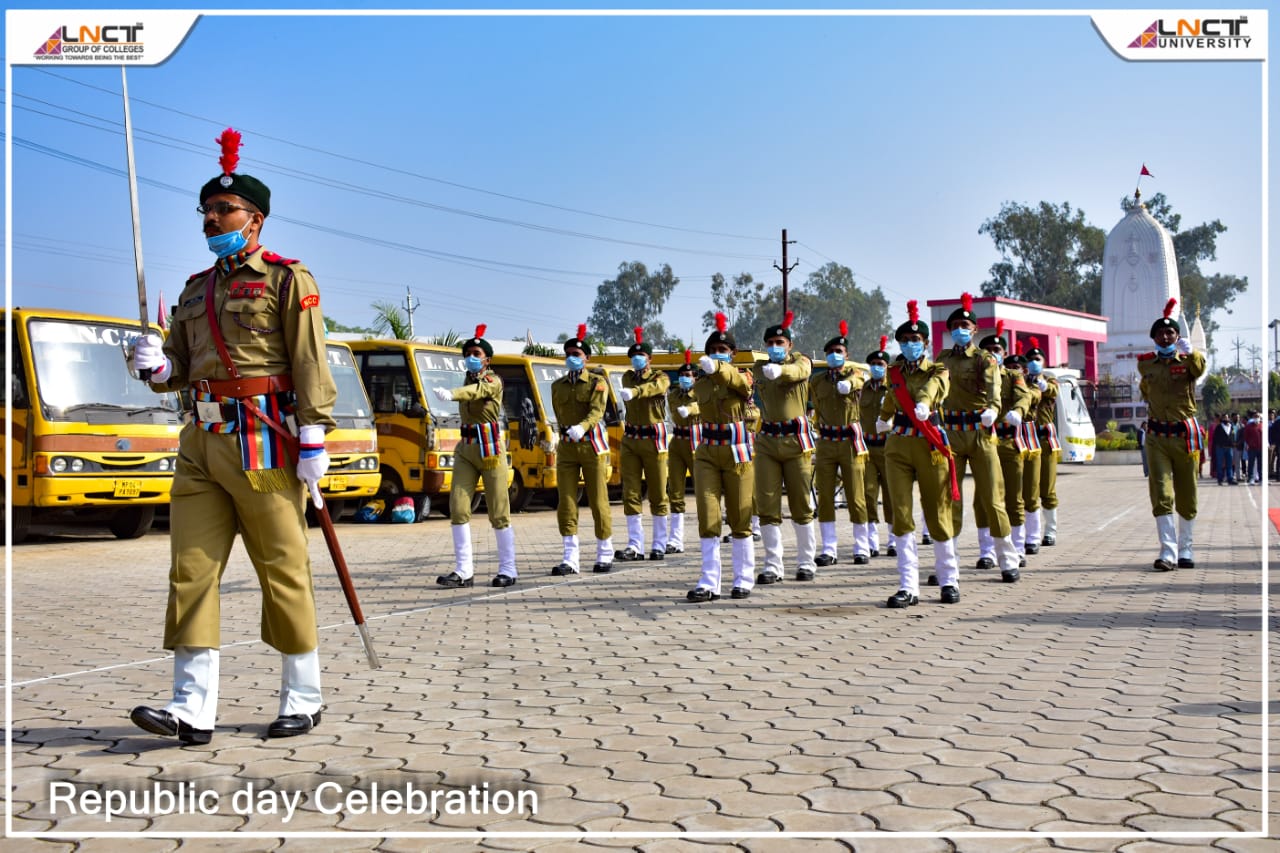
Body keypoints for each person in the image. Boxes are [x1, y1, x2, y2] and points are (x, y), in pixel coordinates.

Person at [127, 129, 336, 743]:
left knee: (283, 569)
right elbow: (180, 371)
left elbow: (309, 362)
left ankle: (303, 694)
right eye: (207, 211)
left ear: (255, 219)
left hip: (264, 441)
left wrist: (316, 436)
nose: (212, 219)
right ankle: (190, 708)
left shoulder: (285, 279)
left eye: (225, 210)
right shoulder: (195, 289)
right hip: (200, 446)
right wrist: (156, 366)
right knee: (190, 572)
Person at [876, 300, 956, 607]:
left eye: (916, 340)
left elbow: (935, 387)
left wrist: (923, 403)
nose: (911, 345)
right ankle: (908, 585)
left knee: (937, 512)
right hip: (898, 446)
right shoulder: (893, 372)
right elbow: (890, 399)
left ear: (925, 343)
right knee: (901, 514)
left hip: (930, 444)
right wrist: (883, 419)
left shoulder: (937, 369)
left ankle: (948, 579)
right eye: (906, 341)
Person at [937, 294, 1021, 584]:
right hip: (952, 434)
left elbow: (994, 388)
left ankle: (1007, 560)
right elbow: (937, 389)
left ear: (974, 330)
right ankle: (949, 562)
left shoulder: (985, 358)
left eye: (966, 325)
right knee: (950, 499)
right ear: (950, 330)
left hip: (981, 433)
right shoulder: (943, 358)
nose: (961, 329)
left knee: (993, 499)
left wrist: (994, 410)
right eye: (956, 325)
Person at [431, 323, 517, 589]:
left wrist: (452, 394)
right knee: (457, 507)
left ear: (487, 359)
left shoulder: (493, 381)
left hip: (490, 449)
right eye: (468, 353)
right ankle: (464, 571)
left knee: (498, 510)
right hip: (467, 448)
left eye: (477, 353)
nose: (472, 357)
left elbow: (477, 392)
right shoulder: (468, 379)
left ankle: (508, 569)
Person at [686, 312, 756, 602]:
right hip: (707, 451)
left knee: (740, 515)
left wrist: (718, 367)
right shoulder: (700, 383)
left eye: (723, 351)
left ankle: (743, 579)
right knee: (708, 514)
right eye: (713, 351)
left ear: (733, 354)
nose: (717, 354)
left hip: (737, 449)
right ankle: (709, 581)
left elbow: (740, 385)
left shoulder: (742, 376)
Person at [1138, 298, 1206, 571]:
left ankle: (1186, 549)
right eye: (1161, 333)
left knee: (1187, 493)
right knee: (1162, 493)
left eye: (1171, 333)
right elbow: (1146, 391)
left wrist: (1192, 353)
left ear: (1177, 337)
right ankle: (1167, 552)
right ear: (1154, 337)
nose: (1166, 336)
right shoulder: (1146, 365)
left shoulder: (1189, 362)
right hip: (1157, 438)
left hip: (1185, 435)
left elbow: (1200, 370)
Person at [752, 311, 817, 583]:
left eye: (780, 342)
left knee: (801, 503)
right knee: (767, 504)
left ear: (790, 345)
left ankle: (806, 562)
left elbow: (800, 371)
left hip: (796, 442)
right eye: (771, 343)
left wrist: (781, 370)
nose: (775, 347)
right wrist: (771, 370)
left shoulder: (801, 362)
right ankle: (772, 565)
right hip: (767, 440)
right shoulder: (760, 369)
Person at [549, 324, 614, 575]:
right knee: (565, 502)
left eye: (577, 355)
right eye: (569, 354)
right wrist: (564, 431)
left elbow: (597, 411)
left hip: (591, 445)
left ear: (587, 358)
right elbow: (558, 412)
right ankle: (570, 557)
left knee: (598, 500)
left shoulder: (597, 383)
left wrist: (582, 427)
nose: (572, 358)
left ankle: (605, 553)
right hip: (567, 446)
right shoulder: (558, 386)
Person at [809, 320, 870, 567]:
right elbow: (816, 407)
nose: (834, 355)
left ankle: (861, 547)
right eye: (831, 352)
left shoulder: (854, 375)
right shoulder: (818, 381)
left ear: (847, 355)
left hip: (848, 441)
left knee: (855, 496)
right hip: (826, 441)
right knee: (824, 496)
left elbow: (860, 380)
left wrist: (849, 384)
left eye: (839, 352)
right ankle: (829, 548)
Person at [979, 326, 1035, 579]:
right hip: (983, 441)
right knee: (984, 499)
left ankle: (1018, 548)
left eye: (997, 349)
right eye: (988, 350)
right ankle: (987, 551)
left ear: (1004, 352)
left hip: (1008, 441)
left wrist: (1019, 412)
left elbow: (1025, 397)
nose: (992, 353)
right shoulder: (976, 374)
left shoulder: (1013, 376)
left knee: (1013, 497)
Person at [616, 326, 672, 560]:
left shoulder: (661, 377)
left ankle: (659, 543)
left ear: (650, 359)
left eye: (641, 356)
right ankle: (635, 544)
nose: (637, 359)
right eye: (634, 356)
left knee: (658, 492)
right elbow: (632, 383)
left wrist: (637, 392)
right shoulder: (627, 376)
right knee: (630, 492)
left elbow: (655, 388)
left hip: (653, 438)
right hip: (631, 437)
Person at [859, 337, 895, 558]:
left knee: (892, 495)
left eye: (881, 365)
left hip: (890, 447)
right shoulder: (863, 388)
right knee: (869, 494)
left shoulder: (893, 387)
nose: (877, 368)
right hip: (868, 447)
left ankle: (893, 539)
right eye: (873, 364)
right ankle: (872, 541)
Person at [1023, 337, 1059, 550]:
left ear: (1044, 362)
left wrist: (1043, 385)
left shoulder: (1051, 381)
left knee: (1047, 487)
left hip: (1045, 440)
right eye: (1031, 359)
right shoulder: (1023, 383)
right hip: (1026, 439)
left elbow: (1053, 391)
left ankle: (1050, 531)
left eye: (1037, 359)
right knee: (1029, 488)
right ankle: (1031, 532)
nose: (1034, 362)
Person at [666, 350, 700, 554]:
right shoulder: (674, 395)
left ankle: (708, 533)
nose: (685, 379)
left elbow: (704, 405)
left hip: (697, 440)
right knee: (675, 492)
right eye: (682, 376)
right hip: (678, 440)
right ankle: (676, 539)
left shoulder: (702, 393)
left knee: (704, 490)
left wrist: (692, 409)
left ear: (696, 378)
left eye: (689, 376)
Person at [1212, 414, 1235, 485]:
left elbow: (1233, 436)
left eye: (1227, 417)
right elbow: (1215, 438)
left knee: (1229, 464)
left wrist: (1233, 444)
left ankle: (1230, 479)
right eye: (1224, 417)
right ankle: (1220, 479)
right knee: (1220, 464)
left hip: (1229, 448)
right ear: (1222, 418)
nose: (1226, 419)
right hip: (1220, 448)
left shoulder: (1231, 427)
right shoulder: (1219, 427)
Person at [1243, 411, 1263, 484]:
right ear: (1253, 417)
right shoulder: (1249, 426)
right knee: (1251, 464)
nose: (1256, 418)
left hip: (1261, 448)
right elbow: (1246, 436)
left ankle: (1261, 479)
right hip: (1252, 448)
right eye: (1255, 416)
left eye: (1258, 416)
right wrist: (1248, 444)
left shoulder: (1262, 425)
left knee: (1261, 464)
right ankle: (1251, 478)